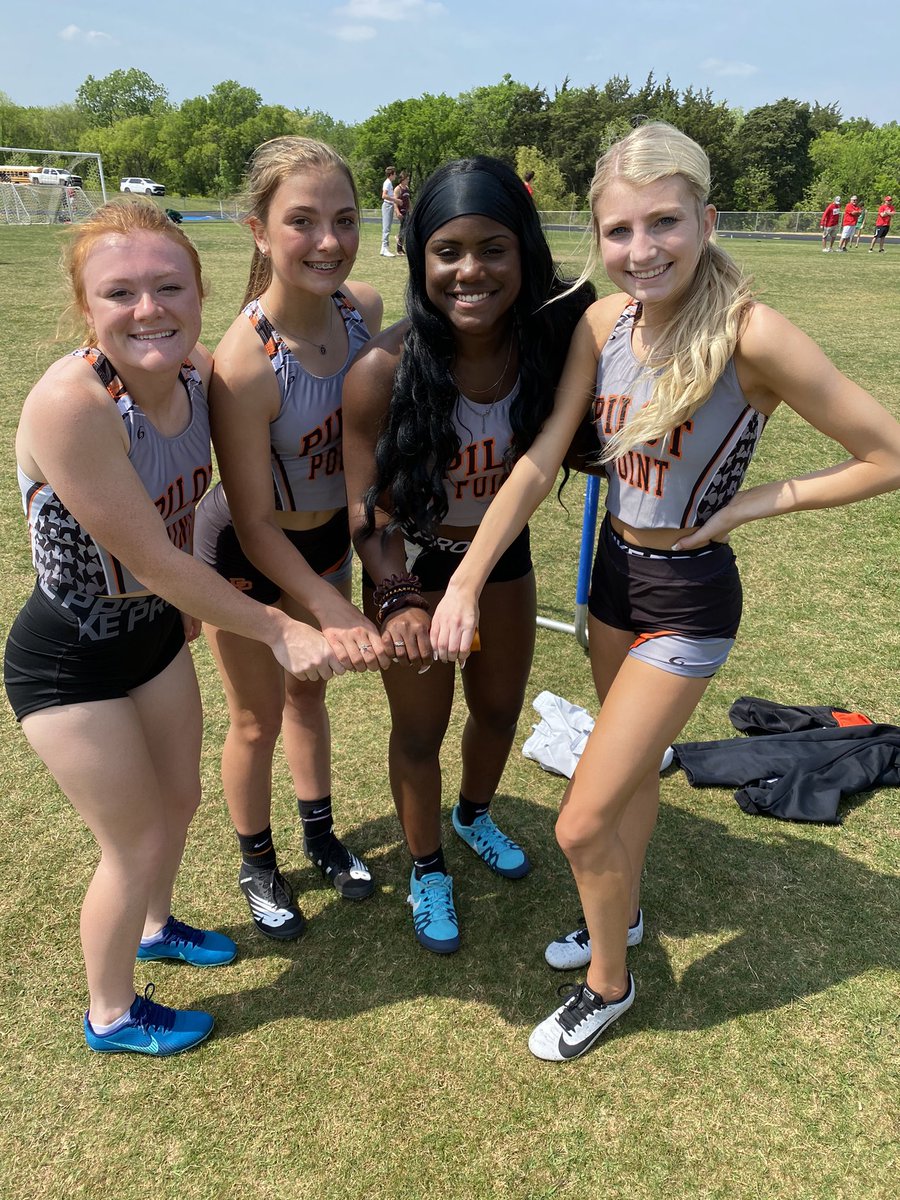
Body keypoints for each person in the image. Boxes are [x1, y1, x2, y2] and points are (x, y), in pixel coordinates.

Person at [428, 122, 900, 1060]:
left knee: (582, 817)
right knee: (629, 772)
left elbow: (886, 454)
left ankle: (610, 984)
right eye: (619, 231)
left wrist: (758, 503)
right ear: (598, 237)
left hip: (689, 600)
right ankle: (626, 915)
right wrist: (467, 580)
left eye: (664, 224)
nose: (641, 251)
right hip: (612, 578)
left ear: (707, 219)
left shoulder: (750, 333)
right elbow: (538, 460)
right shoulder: (605, 323)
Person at [4, 201, 345, 1057]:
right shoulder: (71, 404)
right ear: (87, 307)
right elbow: (151, 556)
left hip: (156, 634)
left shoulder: (200, 376)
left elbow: (208, 510)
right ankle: (110, 1014)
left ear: (201, 292)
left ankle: (154, 927)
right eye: (120, 292)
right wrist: (277, 628)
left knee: (182, 801)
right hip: (70, 659)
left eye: (168, 286)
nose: (148, 308)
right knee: (136, 836)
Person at [342, 156, 595, 954]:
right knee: (419, 733)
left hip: (503, 560)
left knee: (496, 710)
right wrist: (398, 595)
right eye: (448, 251)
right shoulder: (381, 371)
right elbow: (364, 514)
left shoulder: (550, 340)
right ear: (420, 260)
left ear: (524, 251)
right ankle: (426, 867)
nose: (471, 271)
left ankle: (474, 813)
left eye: (494, 248)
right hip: (411, 563)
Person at [194, 137, 387, 941]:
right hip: (249, 555)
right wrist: (322, 609)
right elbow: (251, 519)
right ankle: (257, 862)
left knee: (311, 694)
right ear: (259, 231)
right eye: (302, 221)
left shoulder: (362, 311)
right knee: (255, 719)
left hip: (322, 549)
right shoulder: (244, 363)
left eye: (343, 219)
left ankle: (318, 835)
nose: (329, 241)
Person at [380, 166, 398, 257]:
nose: (396, 175)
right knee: (386, 228)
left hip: (389, 205)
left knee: (386, 228)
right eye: (395, 173)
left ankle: (383, 249)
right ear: (391, 174)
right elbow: (384, 195)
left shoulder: (389, 183)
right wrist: (396, 200)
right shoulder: (387, 183)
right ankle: (385, 248)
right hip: (387, 205)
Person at [394, 170, 411, 254]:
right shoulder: (398, 189)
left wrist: (411, 210)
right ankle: (399, 249)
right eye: (407, 179)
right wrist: (397, 212)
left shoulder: (407, 188)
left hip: (407, 211)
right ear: (403, 179)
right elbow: (395, 202)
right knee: (403, 229)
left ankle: (401, 246)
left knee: (405, 229)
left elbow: (408, 200)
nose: (408, 180)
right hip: (401, 212)